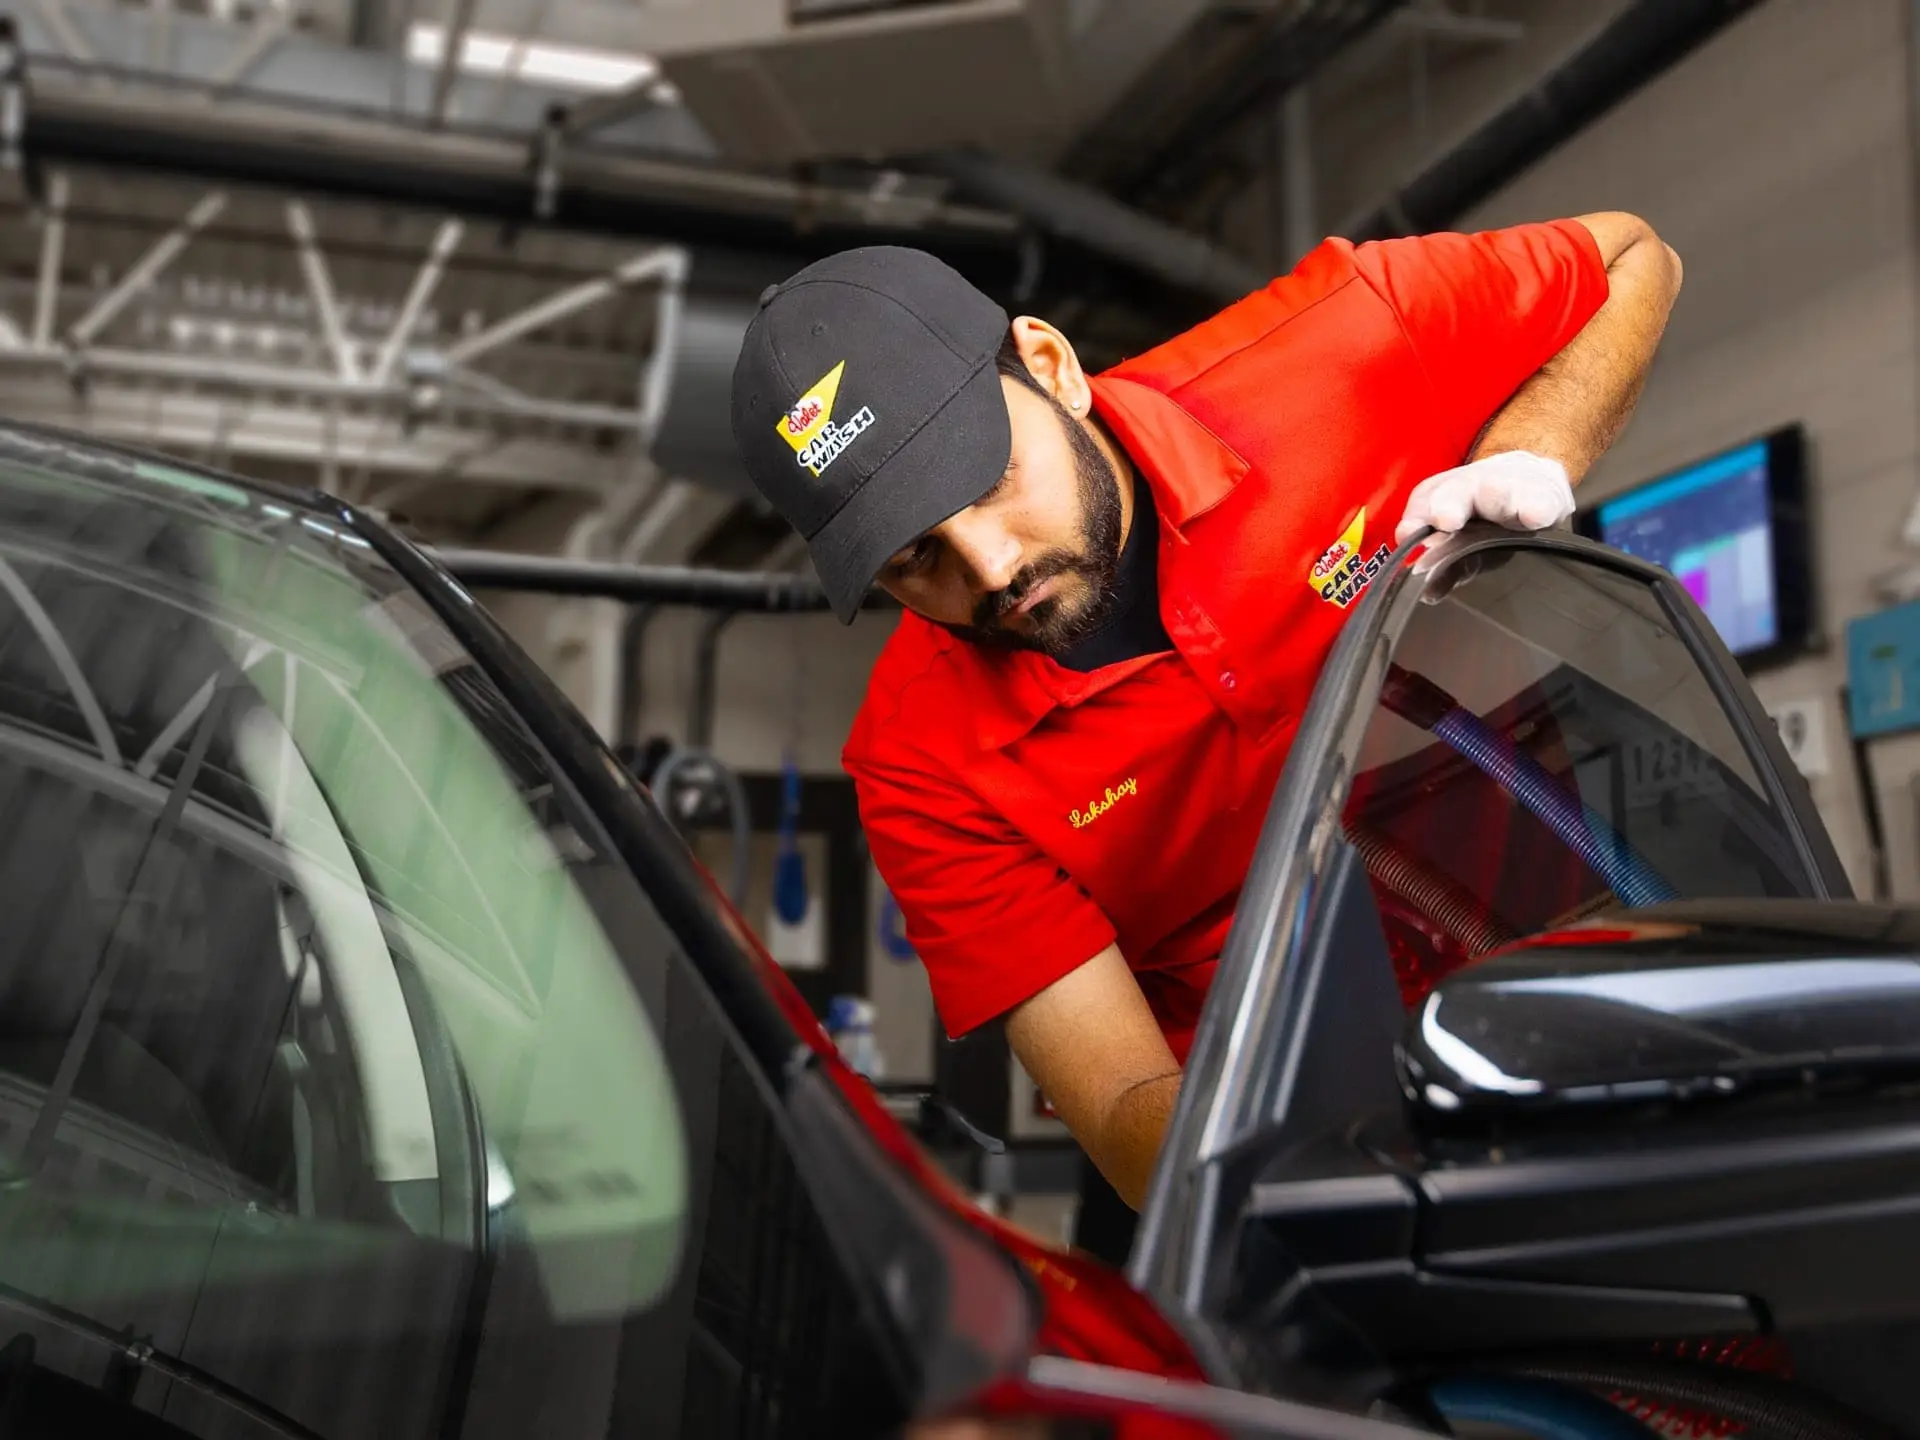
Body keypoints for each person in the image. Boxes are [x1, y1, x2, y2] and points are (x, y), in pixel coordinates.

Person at [729, 216, 1682, 1263]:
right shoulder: (923, 764)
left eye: (985, 477)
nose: (990, 569)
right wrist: (1334, 1188)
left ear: (1050, 366)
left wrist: (1532, 454)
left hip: (1583, 987)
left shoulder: (1344, 345)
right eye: (915, 562)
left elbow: (1634, 259)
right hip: (1299, 1150)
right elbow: (1129, 1096)